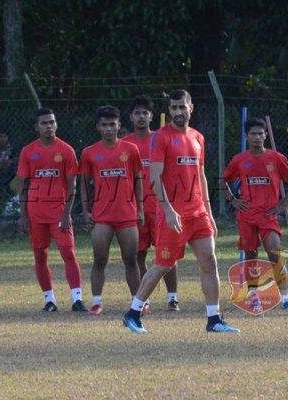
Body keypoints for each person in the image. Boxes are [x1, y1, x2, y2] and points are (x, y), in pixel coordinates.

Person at [122, 89, 239, 334]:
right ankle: (133, 312)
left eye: (181, 107)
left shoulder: (197, 137)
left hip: (198, 213)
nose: (177, 112)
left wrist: (208, 210)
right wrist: (168, 210)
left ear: (190, 108)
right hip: (173, 215)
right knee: (163, 265)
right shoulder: (161, 138)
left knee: (210, 261)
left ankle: (214, 319)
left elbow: (201, 175)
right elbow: (154, 176)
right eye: (173, 108)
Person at [221, 117, 288, 311]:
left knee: (275, 253)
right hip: (246, 216)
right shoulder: (240, 159)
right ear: (247, 137)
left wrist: (283, 203)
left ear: (265, 135)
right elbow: (223, 180)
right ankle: (254, 295)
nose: (257, 137)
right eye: (253, 134)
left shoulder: (275, 158)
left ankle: (286, 298)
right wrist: (233, 200)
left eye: (260, 133)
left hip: (268, 215)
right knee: (251, 255)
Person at [16, 107, 87, 312]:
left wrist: (67, 214)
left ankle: (77, 299)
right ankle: (50, 300)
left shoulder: (66, 151)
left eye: (52, 122)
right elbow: (23, 185)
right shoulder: (28, 151)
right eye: (44, 123)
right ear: (36, 127)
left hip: (59, 213)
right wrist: (23, 215)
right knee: (40, 256)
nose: (49, 126)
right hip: (36, 214)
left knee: (69, 254)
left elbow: (72, 185)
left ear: (56, 124)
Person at [80, 105, 143, 316]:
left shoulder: (130, 150)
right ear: (98, 127)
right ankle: (97, 302)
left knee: (131, 260)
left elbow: (137, 180)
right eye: (104, 125)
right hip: (102, 216)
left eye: (112, 124)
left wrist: (140, 209)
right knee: (99, 259)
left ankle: (138, 302)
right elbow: (83, 183)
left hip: (127, 214)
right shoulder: (89, 152)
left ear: (119, 125)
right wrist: (87, 211)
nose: (109, 129)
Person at [122, 95, 180, 312]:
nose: (141, 117)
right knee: (139, 255)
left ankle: (173, 297)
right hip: (136, 209)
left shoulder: (161, 139)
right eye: (137, 113)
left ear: (151, 116)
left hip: (161, 207)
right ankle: (142, 300)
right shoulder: (125, 144)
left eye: (145, 113)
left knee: (169, 254)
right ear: (131, 117)